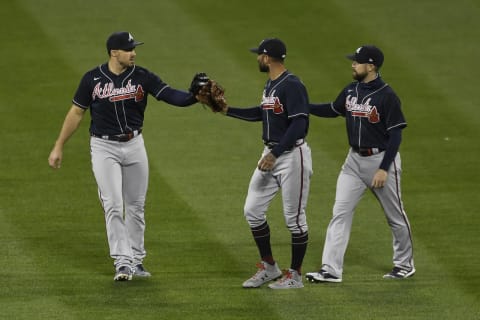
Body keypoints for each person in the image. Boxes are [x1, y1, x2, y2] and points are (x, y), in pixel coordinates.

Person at [48, 31, 199, 281]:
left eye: (134, 48)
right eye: (129, 49)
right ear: (114, 52)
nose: (134, 53)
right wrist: (58, 145)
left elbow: (171, 95)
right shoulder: (92, 79)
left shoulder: (142, 76)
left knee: (136, 206)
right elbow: (76, 113)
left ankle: (137, 260)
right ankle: (122, 262)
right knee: (114, 204)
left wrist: (193, 97)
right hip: (103, 147)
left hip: (134, 144)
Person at [208, 38, 312, 289]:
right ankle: (269, 267)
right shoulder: (271, 84)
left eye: (259, 55)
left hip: (291, 156)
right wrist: (227, 110)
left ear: (267, 58)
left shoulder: (292, 85)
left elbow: (300, 124)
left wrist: (275, 153)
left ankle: (295, 276)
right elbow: (262, 113)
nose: (257, 58)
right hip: (271, 154)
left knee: (295, 219)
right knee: (252, 211)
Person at [305, 45, 415, 283]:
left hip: (381, 160)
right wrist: (305, 106)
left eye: (357, 61)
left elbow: (396, 135)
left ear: (371, 66)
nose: (353, 64)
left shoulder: (387, 96)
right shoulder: (351, 90)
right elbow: (333, 110)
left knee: (394, 216)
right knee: (340, 213)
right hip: (353, 162)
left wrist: (384, 168)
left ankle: (405, 264)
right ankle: (331, 270)